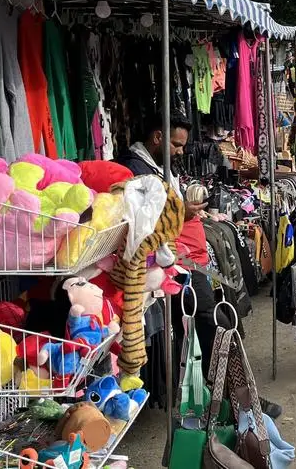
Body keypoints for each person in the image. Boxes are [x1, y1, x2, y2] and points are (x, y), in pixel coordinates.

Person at [117, 116, 282, 419]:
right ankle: (239, 400)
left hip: (185, 261)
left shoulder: (157, 167)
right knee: (215, 325)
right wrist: (183, 212)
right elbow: (141, 223)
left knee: (215, 326)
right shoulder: (134, 171)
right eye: (176, 145)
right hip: (171, 266)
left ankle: (233, 396)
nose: (181, 151)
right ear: (157, 137)